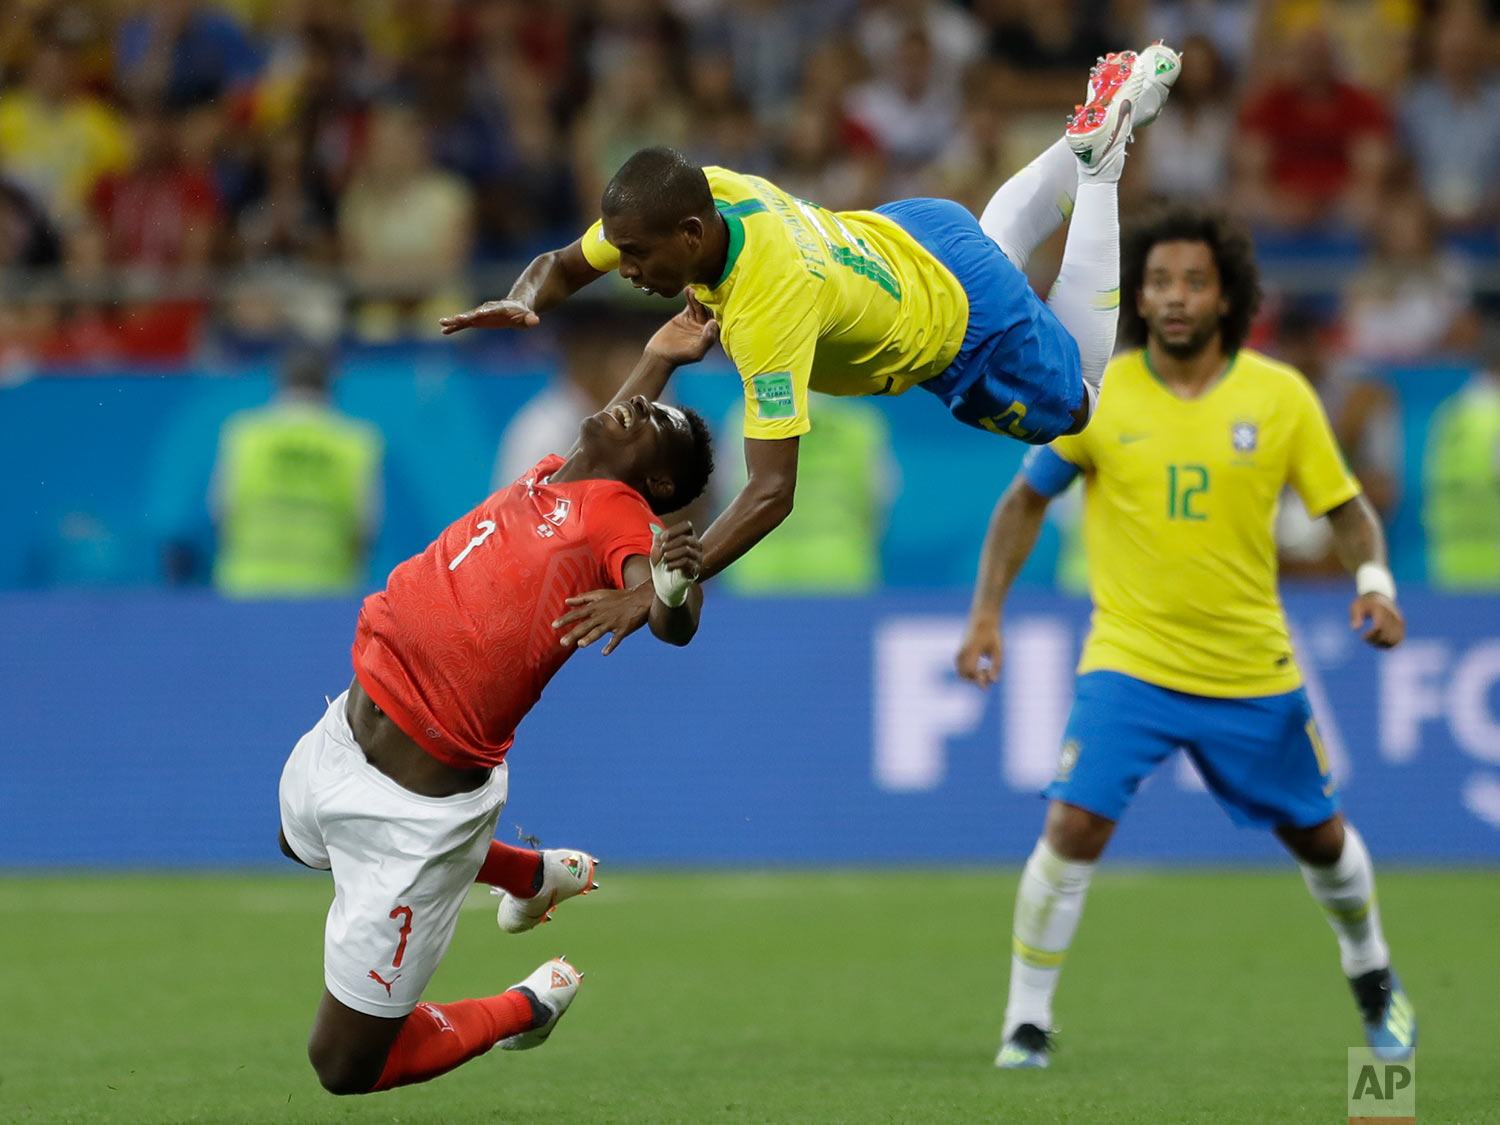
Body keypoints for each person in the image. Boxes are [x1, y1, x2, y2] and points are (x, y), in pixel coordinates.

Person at [441, 42, 1182, 647]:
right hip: (918, 233)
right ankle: (1085, 132)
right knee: (992, 246)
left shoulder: (768, 311)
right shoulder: (704, 192)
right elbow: (565, 264)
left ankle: (1099, 163)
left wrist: (659, 596)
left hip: (960, 326)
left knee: (1079, 401)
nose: (626, 270)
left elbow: (770, 491)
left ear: (690, 237)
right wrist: (522, 296)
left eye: (637, 257)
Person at [955, 204, 1417, 1070]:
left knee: (1320, 838)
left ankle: (1373, 970)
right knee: (1071, 826)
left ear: (1227, 294)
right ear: (1137, 295)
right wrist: (987, 612)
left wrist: (1375, 582)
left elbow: (1347, 512)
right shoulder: (1098, 393)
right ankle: (1025, 1021)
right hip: (1129, 662)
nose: (1174, 297)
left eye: (1193, 282)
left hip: (1250, 667)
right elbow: (1023, 501)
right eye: (1159, 281)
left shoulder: (1279, 397)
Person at [275, 302, 718, 1096]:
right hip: (345, 728)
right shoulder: (563, 472)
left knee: (342, 1064)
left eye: (648, 417)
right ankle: (529, 874)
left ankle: (525, 1004)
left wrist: (667, 585)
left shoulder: (615, 512)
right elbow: (621, 420)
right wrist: (660, 355)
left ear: (649, 482)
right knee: (294, 839)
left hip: (415, 809)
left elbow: (670, 616)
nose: (630, 403)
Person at [212, 346, 383, 597]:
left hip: (247, 586)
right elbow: (365, 526)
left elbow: (222, 511)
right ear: (330, 384)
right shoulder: (355, 442)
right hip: (326, 588)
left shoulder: (245, 434)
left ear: (280, 382)